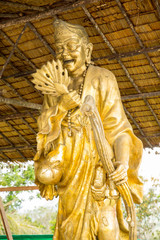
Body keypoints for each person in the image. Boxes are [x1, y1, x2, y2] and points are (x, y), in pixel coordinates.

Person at [34, 19, 143, 240]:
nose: (65, 53)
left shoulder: (103, 78)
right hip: (68, 173)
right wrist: (61, 109)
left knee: (105, 226)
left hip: (100, 170)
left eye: (71, 46)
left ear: (88, 49)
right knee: (69, 231)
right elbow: (44, 131)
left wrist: (121, 164)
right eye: (59, 48)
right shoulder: (52, 92)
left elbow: (120, 130)